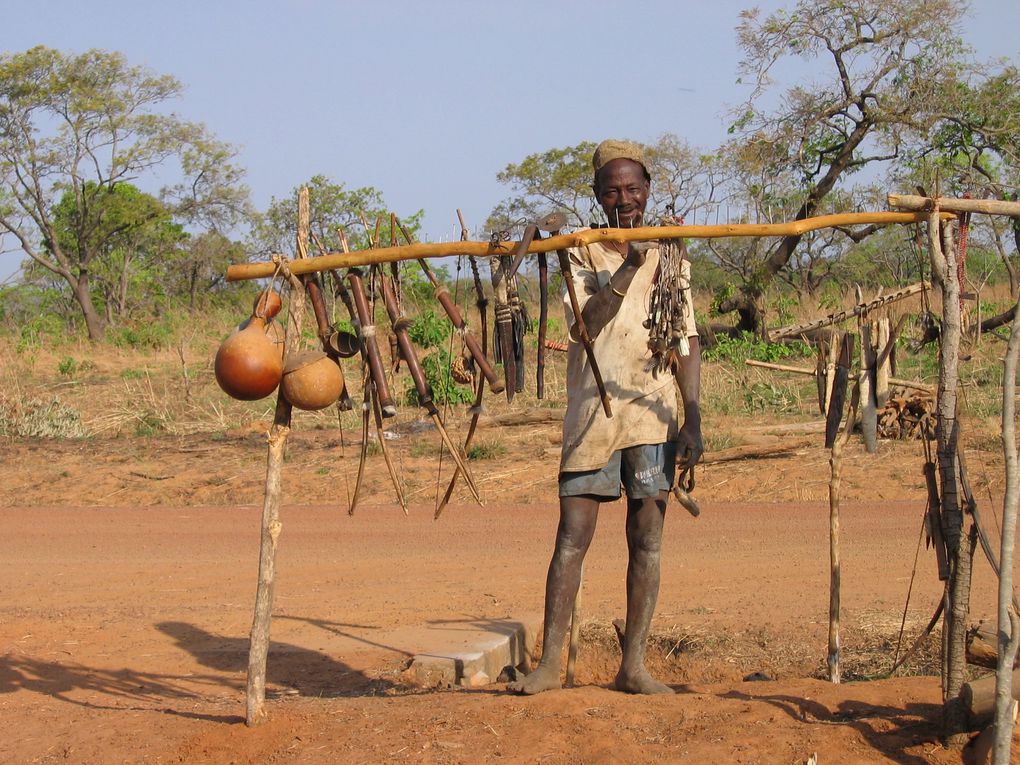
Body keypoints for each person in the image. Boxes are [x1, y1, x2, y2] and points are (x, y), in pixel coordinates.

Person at [509, 139, 703, 695]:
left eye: (633, 188)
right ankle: (549, 663)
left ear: (648, 191)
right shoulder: (581, 251)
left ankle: (633, 665)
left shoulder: (673, 254)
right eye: (613, 191)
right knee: (573, 535)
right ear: (598, 197)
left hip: (654, 413)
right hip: (594, 413)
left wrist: (693, 417)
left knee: (647, 539)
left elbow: (686, 339)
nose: (625, 199)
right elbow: (584, 327)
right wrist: (627, 269)